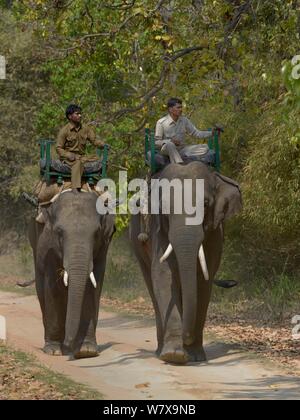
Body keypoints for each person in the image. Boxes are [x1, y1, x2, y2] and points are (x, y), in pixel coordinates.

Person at [56, 104, 107, 193]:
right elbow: (59, 148)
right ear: (70, 116)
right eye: (77, 114)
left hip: (82, 156)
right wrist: (68, 155)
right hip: (69, 158)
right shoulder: (64, 131)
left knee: (101, 161)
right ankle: (75, 188)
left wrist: (103, 145)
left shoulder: (85, 128)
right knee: (77, 163)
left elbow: (94, 141)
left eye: (80, 113)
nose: (80, 115)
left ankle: (99, 186)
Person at [155, 97, 215, 164]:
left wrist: (211, 133)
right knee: (170, 145)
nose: (181, 110)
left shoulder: (184, 120)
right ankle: (179, 164)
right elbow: (157, 142)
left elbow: (196, 133)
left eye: (181, 107)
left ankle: (179, 156)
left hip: (182, 149)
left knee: (205, 147)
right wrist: (170, 141)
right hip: (167, 149)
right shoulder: (161, 122)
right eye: (178, 107)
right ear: (170, 109)